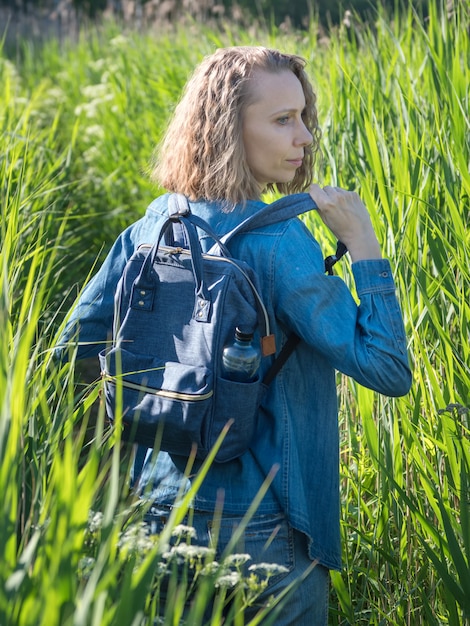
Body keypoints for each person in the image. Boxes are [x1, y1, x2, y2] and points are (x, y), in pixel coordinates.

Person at [57, 46, 412, 625]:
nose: (304, 137)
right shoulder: (281, 243)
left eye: (303, 116)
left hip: (158, 515)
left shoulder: (152, 225)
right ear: (227, 127)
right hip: (265, 525)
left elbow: (76, 346)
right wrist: (364, 245)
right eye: (282, 119)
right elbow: (387, 368)